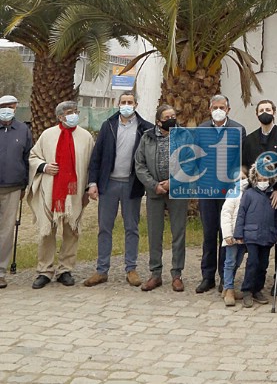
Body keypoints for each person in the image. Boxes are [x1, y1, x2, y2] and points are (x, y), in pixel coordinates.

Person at [84, 91, 153, 288]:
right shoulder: (108, 125)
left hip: (132, 185)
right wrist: (93, 183)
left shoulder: (145, 128)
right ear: (118, 103)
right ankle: (101, 270)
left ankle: (131, 268)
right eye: (123, 102)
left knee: (132, 227)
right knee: (105, 228)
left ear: (136, 104)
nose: (126, 105)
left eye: (130, 102)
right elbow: (96, 156)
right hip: (108, 184)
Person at [27, 101, 94, 289]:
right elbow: (33, 156)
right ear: (60, 116)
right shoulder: (47, 135)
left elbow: (91, 164)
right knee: (47, 230)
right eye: (69, 112)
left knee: (72, 231)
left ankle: (65, 269)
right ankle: (44, 270)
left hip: (75, 192)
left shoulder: (86, 137)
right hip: (50, 191)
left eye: (75, 111)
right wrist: (44, 166)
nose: (73, 115)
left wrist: (89, 187)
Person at [242, 99, 277, 296]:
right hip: (255, 195)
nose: (265, 112)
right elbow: (245, 165)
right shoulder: (250, 139)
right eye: (261, 110)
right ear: (257, 114)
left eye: (268, 109)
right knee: (256, 239)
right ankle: (253, 279)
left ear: (274, 112)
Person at [196, 94, 247, 294]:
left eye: (222, 107)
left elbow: (241, 159)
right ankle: (207, 276)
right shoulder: (201, 130)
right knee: (209, 234)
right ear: (210, 109)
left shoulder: (238, 130)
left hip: (228, 191)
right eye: (215, 107)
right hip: (207, 190)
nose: (218, 110)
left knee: (226, 234)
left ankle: (224, 278)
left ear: (228, 109)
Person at [135, 104, 188, 292]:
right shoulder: (147, 137)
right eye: (167, 117)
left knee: (178, 233)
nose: (171, 119)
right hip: (154, 192)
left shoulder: (185, 136)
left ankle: (177, 274)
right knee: (154, 233)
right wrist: (154, 185)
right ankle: (155, 274)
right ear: (158, 121)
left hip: (178, 191)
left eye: (174, 115)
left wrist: (173, 182)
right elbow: (139, 164)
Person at [234, 163, 277, 308]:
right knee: (252, 262)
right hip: (252, 235)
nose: (263, 182)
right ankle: (247, 289)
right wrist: (238, 232)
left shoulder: (273, 196)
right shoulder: (249, 194)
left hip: (267, 236)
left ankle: (257, 289)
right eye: (260, 180)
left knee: (263, 264)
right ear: (255, 179)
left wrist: (276, 233)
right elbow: (241, 214)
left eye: (265, 179)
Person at [0, 95, 32, 289]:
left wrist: (24, 185)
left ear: (16, 108)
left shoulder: (23, 129)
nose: (7, 110)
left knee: (6, 231)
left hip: (13, 187)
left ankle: (0, 271)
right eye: (3, 106)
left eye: (10, 107)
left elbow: (28, 157)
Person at [220, 167, 249, 307]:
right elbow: (225, 215)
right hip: (231, 236)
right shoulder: (232, 195)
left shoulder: (249, 195)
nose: (240, 182)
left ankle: (227, 286)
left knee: (238, 262)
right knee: (230, 262)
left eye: (243, 178)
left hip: (243, 236)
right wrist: (227, 234)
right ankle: (229, 288)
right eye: (237, 180)